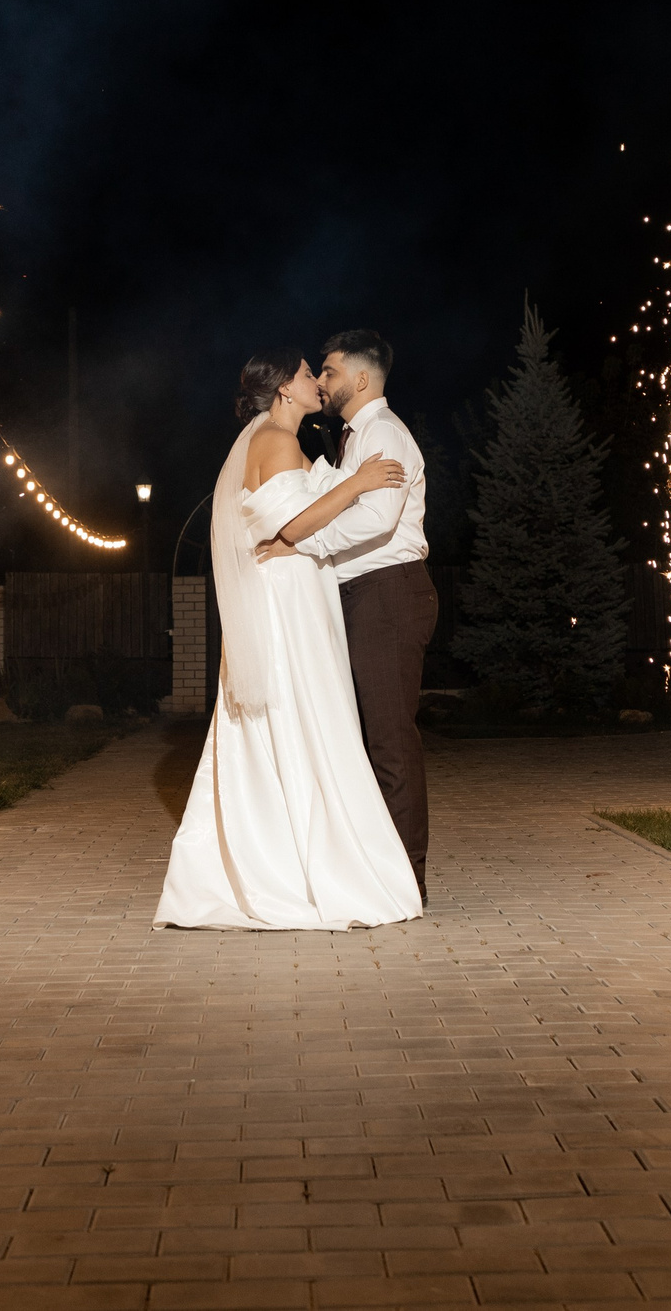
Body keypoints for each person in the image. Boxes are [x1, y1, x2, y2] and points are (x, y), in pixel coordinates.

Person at [153, 348, 422, 931]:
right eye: (306, 374)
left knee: (305, 718)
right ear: (282, 391)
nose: (315, 383)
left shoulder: (289, 441)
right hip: (286, 601)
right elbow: (295, 526)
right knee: (307, 715)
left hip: (299, 589)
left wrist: (354, 481)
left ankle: (296, 858)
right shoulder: (274, 441)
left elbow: (301, 516)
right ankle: (304, 867)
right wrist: (362, 484)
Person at [288, 330, 434, 901]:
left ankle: (406, 883)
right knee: (373, 740)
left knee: (391, 743)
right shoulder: (356, 437)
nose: (321, 382)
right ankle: (382, 871)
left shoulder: (384, 433)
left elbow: (376, 519)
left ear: (361, 378)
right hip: (368, 595)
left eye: (328, 371)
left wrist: (305, 544)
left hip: (387, 595)